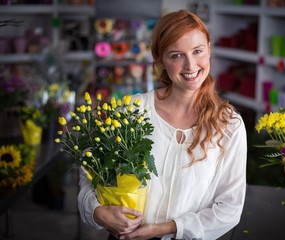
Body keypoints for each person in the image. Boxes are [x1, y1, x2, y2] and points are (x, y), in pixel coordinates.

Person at [77, 9, 247, 240]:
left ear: (209, 49)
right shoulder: (131, 110)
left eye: (198, 51)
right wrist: (98, 212)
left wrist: (164, 229)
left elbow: (230, 209)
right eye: (176, 55)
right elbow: (90, 173)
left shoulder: (229, 125)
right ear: (160, 60)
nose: (190, 65)